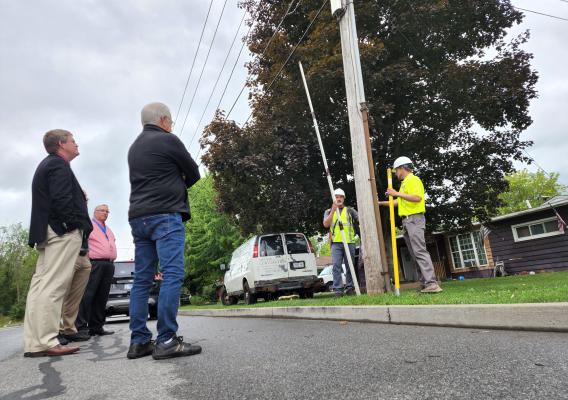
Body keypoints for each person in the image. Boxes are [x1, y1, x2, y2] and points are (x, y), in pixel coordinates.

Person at [126, 102, 201, 360]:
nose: (171, 126)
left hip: (138, 217)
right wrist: (177, 178)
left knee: (142, 279)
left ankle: (139, 341)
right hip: (165, 215)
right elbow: (193, 174)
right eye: (171, 121)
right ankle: (167, 339)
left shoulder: (134, 147)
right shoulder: (169, 140)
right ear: (163, 120)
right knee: (172, 274)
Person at [24, 129, 92, 357]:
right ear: (62, 144)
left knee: (41, 286)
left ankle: (35, 342)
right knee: (54, 286)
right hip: (61, 232)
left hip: (48, 232)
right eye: (73, 140)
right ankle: (47, 341)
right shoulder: (58, 165)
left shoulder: (48, 165)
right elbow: (61, 199)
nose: (76, 143)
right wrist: (72, 225)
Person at [379, 156, 442, 293]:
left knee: (419, 251)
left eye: (396, 170)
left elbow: (417, 198)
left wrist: (396, 193)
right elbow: (399, 202)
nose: (396, 173)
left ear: (402, 168)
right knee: (414, 253)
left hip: (415, 219)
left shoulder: (414, 180)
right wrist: (381, 203)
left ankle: (432, 283)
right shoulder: (404, 184)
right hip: (407, 221)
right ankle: (425, 284)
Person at [76, 204, 117, 336]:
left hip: (108, 264)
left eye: (107, 211)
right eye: (102, 211)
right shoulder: (89, 225)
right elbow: (81, 242)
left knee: (102, 297)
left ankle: (97, 326)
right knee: (88, 295)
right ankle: (81, 326)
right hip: (94, 263)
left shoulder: (108, 230)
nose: (105, 213)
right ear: (95, 212)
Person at [323, 188, 358, 297]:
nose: (339, 199)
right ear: (334, 198)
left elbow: (359, 219)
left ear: (344, 198)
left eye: (341, 197)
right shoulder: (328, 211)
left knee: (350, 266)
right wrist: (333, 211)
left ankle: (350, 288)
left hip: (349, 242)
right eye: (337, 197)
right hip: (336, 243)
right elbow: (326, 224)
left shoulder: (350, 210)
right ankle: (338, 290)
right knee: (336, 266)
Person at [58, 254, 92, 344]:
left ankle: (69, 329)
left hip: (83, 253)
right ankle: (56, 330)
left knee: (75, 298)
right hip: (67, 250)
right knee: (59, 294)